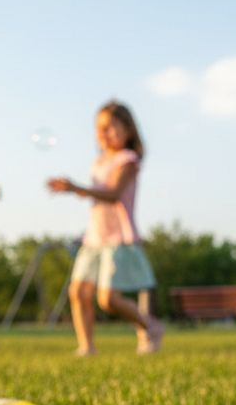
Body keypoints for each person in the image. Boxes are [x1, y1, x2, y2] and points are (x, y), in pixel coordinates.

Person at [47, 101, 164, 355]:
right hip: (94, 237)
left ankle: (150, 326)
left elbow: (113, 194)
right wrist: (70, 189)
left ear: (128, 130)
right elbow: (96, 193)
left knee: (108, 300)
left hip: (117, 238)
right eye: (99, 127)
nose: (103, 132)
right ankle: (87, 346)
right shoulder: (98, 163)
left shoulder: (128, 160)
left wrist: (76, 187)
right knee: (78, 292)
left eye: (110, 127)